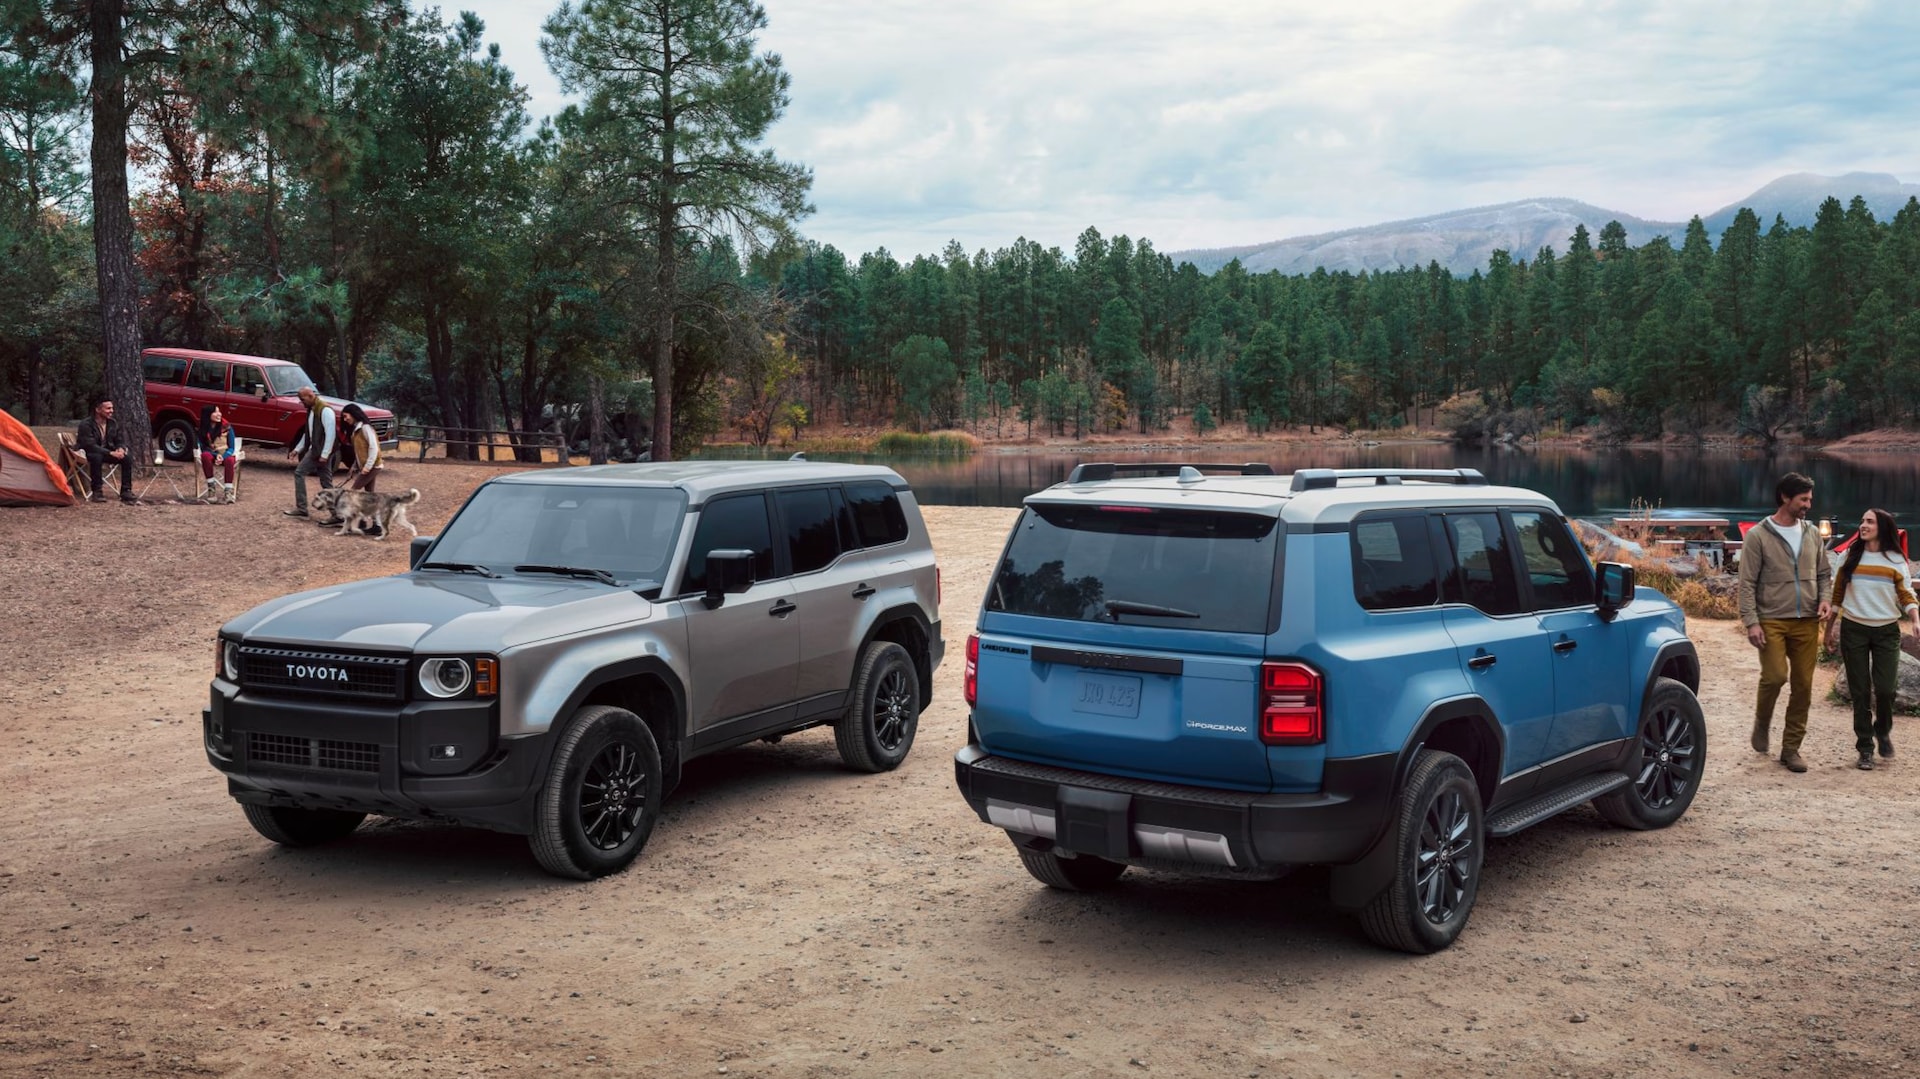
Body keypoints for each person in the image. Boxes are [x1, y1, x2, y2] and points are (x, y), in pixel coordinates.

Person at [1737, 472, 1832, 773]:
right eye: (1803, 499)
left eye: (1810, 500)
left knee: (1803, 686)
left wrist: (1825, 599)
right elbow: (1747, 582)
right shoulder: (1758, 535)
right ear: (1785, 498)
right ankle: (1762, 723)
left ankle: (1791, 749)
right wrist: (1751, 621)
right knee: (1776, 676)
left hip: (1807, 620)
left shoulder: (1813, 533)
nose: (1808, 505)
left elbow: (1823, 574)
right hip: (1772, 620)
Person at [1825, 508, 1918, 770]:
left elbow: (1906, 593)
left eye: (1869, 521)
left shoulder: (1895, 559)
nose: (1863, 525)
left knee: (1887, 689)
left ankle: (1883, 730)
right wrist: (1829, 629)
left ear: (1883, 527)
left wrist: (1915, 618)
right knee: (1860, 692)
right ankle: (1865, 747)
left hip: (1886, 631)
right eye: (1862, 521)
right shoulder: (1849, 556)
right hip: (1854, 629)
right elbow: (1837, 596)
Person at [284, 385, 337, 519]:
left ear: (310, 396)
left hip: (320, 451)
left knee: (299, 473)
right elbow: (309, 433)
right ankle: (337, 514)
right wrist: (297, 449)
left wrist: (325, 454)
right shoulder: (312, 410)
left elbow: (331, 434)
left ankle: (302, 509)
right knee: (326, 482)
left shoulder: (325, 410)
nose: (302, 403)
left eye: (303, 400)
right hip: (316, 450)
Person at [75, 393, 138, 504]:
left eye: (112, 408)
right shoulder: (86, 424)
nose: (111, 411)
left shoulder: (112, 423)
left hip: (107, 452)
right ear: (98, 410)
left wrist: (121, 448)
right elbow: (90, 445)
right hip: (88, 453)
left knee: (127, 457)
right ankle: (97, 491)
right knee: (96, 457)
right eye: (108, 408)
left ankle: (126, 491)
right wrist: (110, 453)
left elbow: (119, 439)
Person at [197, 404, 239, 504]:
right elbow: (202, 447)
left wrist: (222, 456)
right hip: (211, 453)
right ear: (208, 415)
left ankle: (228, 492)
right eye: (215, 412)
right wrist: (216, 456)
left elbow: (232, 447)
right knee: (205, 456)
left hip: (226, 453)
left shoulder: (227, 427)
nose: (219, 414)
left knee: (230, 460)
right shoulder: (203, 429)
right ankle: (211, 489)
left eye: (219, 411)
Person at [340, 403, 381, 491]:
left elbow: (373, 448)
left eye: (346, 416)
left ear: (353, 414)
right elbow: (359, 452)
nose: (345, 419)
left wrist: (367, 467)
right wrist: (354, 467)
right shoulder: (356, 430)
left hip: (372, 466)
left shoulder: (365, 427)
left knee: (352, 492)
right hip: (369, 466)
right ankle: (374, 505)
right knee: (369, 495)